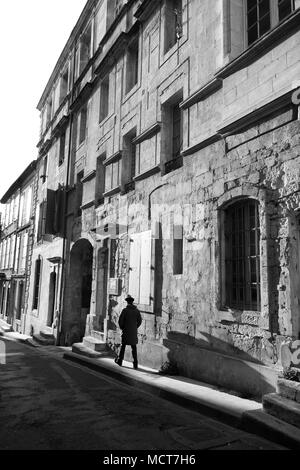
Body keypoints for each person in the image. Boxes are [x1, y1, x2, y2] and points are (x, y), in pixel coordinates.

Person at [115, 295, 142, 369]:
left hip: (126, 331)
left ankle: (120, 361)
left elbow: (120, 321)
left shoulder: (125, 310)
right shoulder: (136, 311)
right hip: (133, 332)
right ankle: (135, 364)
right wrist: (135, 327)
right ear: (132, 302)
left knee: (123, 346)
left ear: (127, 302)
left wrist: (122, 327)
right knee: (134, 348)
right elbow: (140, 321)